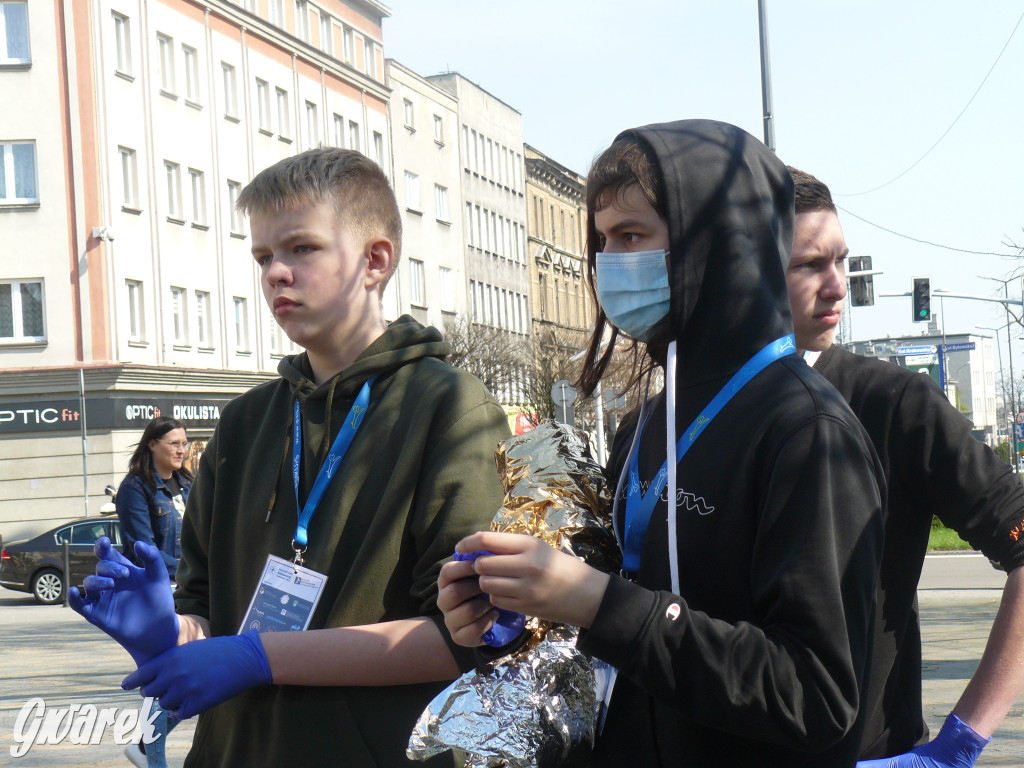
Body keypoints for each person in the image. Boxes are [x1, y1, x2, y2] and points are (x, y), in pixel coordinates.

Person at [439, 120, 886, 767]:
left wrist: (598, 601)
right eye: (602, 241)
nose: (609, 262)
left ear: (718, 243)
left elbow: (817, 695)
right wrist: (508, 618)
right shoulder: (643, 424)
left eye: (631, 236)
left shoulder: (808, 432)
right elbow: (619, 643)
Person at [70, 148, 510, 767]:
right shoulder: (247, 421)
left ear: (374, 261)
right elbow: (205, 609)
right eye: (262, 256)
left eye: (302, 249)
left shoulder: (450, 410)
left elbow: (465, 638)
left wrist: (262, 657)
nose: (276, 272)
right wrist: (167, 631)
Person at [784, 166, 1024, 767]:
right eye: (810, 265)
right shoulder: (665, 420)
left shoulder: (894, 404)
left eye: (842, 261)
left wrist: (958, 744)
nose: (838, 286)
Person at [114, 416, 191, 768]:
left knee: (197, 673)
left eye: (184, 443)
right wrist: (189, 569)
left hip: (193, 591)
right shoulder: (136, 488)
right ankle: (149, 753)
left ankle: (146, 749)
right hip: (161, 596)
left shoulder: (187, 483)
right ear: (152, 445)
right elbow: (141, 547)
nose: (181, 449)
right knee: (169, 675)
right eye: (173, 443)